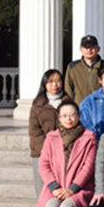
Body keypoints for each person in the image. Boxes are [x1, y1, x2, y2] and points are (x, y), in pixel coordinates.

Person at [29, 102, 97, 207]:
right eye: (64, 115)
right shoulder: (51, 137)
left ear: (79, 116)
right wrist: (54, 187)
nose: (69, 119)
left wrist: (72, 189)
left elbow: (88, 167)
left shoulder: (89, 137)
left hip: (80, 190)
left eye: (72, 115)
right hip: (55, 190)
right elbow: (43, 164)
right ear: (59, 118)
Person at [29, 69, 73, 198]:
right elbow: (34, 131)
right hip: (42, 152)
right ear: (44, 84)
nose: (55, 84)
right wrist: (47, 150)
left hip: (65, 152)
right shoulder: (38, 105)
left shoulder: (69, 103)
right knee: (43, 191)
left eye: (58, 81)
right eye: (50, 81)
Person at [64, 35, 104, 105]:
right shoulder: (73, 67)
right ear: (81, 50)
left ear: (98, 49)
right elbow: (68, 89)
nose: (89, 50)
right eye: (86, 47)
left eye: (92, 46)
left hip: (100, 107)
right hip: (78, 108)